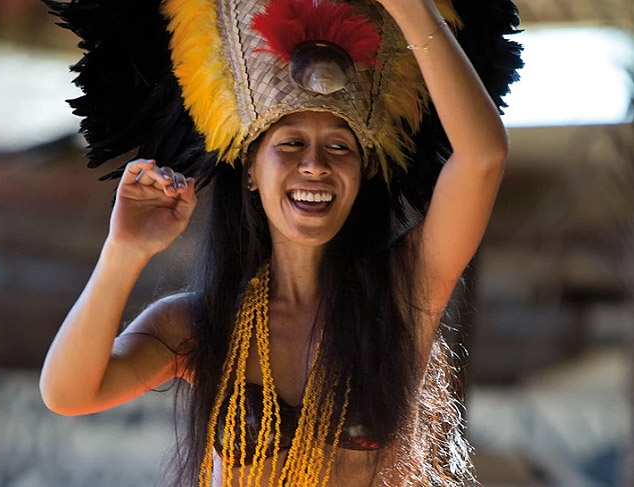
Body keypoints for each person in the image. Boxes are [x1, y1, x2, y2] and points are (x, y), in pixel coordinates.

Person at [40, 0, 523, 485]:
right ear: (251, 170)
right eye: (291, 144)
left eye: (339, 146)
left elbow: (482, 157)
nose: (315, 165)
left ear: (361, 173)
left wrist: (412, 10)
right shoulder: (199, 324)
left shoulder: (401, 294)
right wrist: (124, 251)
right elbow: (68, 393)